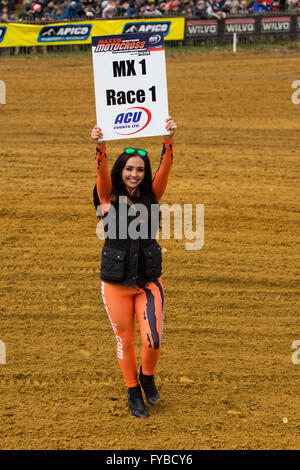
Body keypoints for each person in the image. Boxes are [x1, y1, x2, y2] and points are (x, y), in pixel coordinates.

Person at [90, 116, 176, 418]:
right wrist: (100, 148)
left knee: (153, 341)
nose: (135, 174)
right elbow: (101, 176)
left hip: (149, 282)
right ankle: (132, 390)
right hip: (116, 284)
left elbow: (166, 168)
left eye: (140, 170)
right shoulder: (106, 198)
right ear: (120, 171)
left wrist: (168, 140)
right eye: (129, 169)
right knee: (125, 341)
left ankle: (147, 376)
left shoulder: (153, 195)